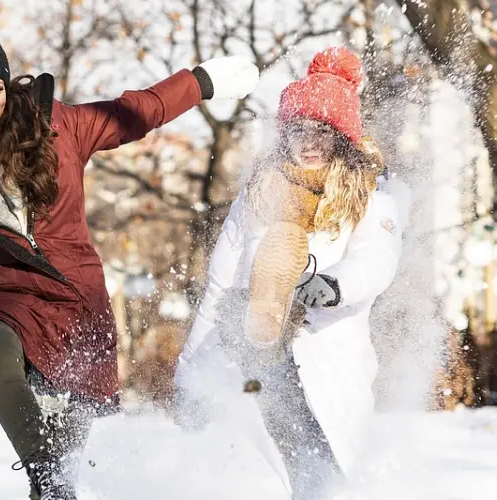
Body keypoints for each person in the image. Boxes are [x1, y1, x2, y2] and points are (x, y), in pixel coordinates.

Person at [0, 21, 259, 500]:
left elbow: (134, 112)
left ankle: (55, 483)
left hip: (77, 303)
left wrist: (200, 82)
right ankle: (48, 478)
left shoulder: (57, 127)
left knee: (66, 452)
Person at [173, 47, 411, 499]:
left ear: (342, 137)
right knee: (260, 478)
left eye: (322, 131)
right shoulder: (256, 197)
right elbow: (219, 288)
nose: (309, 142)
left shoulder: (371, 200)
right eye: (299, 130)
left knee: (323, 480)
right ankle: (265, 318)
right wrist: (191, 375)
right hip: (255, 365)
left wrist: (334, 284)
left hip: (326, 359)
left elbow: (377, 260)